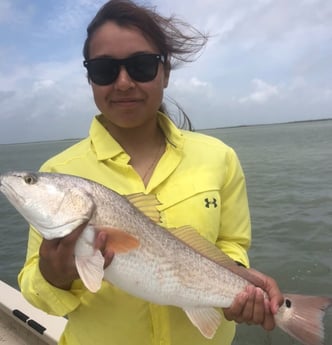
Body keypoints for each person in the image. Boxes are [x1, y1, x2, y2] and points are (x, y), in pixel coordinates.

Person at [18, 1, 283, 344]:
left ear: (165, 72)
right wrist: (52, 276)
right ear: (89, 79)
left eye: (141, 66)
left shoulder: (219, 157)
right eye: (104, 70)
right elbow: (35, 292)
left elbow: (231, 242)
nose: (124, 82)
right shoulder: (60, 173)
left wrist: (236, 277)